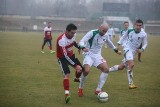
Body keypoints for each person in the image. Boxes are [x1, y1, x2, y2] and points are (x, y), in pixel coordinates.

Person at [77, 23, 121, 97]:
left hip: (97, 56)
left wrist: (116, 51)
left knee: (106, 69)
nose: (104, 33)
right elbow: (82, 41)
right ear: (99, 28)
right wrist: (83, 47)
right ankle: (80, 88)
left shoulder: (105, 36)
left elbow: (110, 43)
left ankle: (98, 89)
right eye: (103, 30)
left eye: (106, 31)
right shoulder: (92, 33)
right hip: (88, 54)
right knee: (86, 71)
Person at [109, 19, 148, 89]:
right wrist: (117, 45)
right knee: (131, 64)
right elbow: (123, 38)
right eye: (137, 25)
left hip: (134, 52)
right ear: (134, 25)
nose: (138, 27)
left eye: (140, 25)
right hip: (127, 48)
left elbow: (145, 43)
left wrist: (142, 49)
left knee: (121, 67)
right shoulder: (130, 30)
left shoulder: (144, 34)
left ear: (142, 26)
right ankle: (131, 84)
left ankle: (107, 70)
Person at [56, 23, 86, 104]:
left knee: (81, 69)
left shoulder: (73, 36)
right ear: (67, 31)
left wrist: (80, 47)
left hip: (71, 55)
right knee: (67, 74)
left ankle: (76, 78)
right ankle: (66, 95)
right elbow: (65, 56)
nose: (74, 34)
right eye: (72, 32)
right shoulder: (61, 40)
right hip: (62, 58)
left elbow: (74, 42)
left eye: (75, 32)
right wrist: (75, 65)